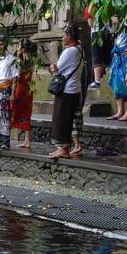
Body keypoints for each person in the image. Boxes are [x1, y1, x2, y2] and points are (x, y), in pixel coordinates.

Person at [48, 25, 86, 159]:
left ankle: (64, 149)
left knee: (61, 119)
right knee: (68, 119)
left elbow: (56, 69)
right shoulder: (80, 49)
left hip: (67, 90)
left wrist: (51, 67)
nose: (62, 38)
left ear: (69, 36)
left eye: (64, 35)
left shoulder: (69, 51)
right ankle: (64, 148)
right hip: (75, 89)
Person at [108, 19, 127, 122]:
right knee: (116, 83)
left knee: (126, 84)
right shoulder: (123, 20)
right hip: (117, 57)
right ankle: (120, 111)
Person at [10, 40, 36, 149]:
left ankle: (6, 136)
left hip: (20, 89)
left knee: (12, 111)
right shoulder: (31, 60)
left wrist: (12, 92)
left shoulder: (18, 61)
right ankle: (27, 140)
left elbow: (15, 78)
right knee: (26, 113)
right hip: (28, 90)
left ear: (23, 48)